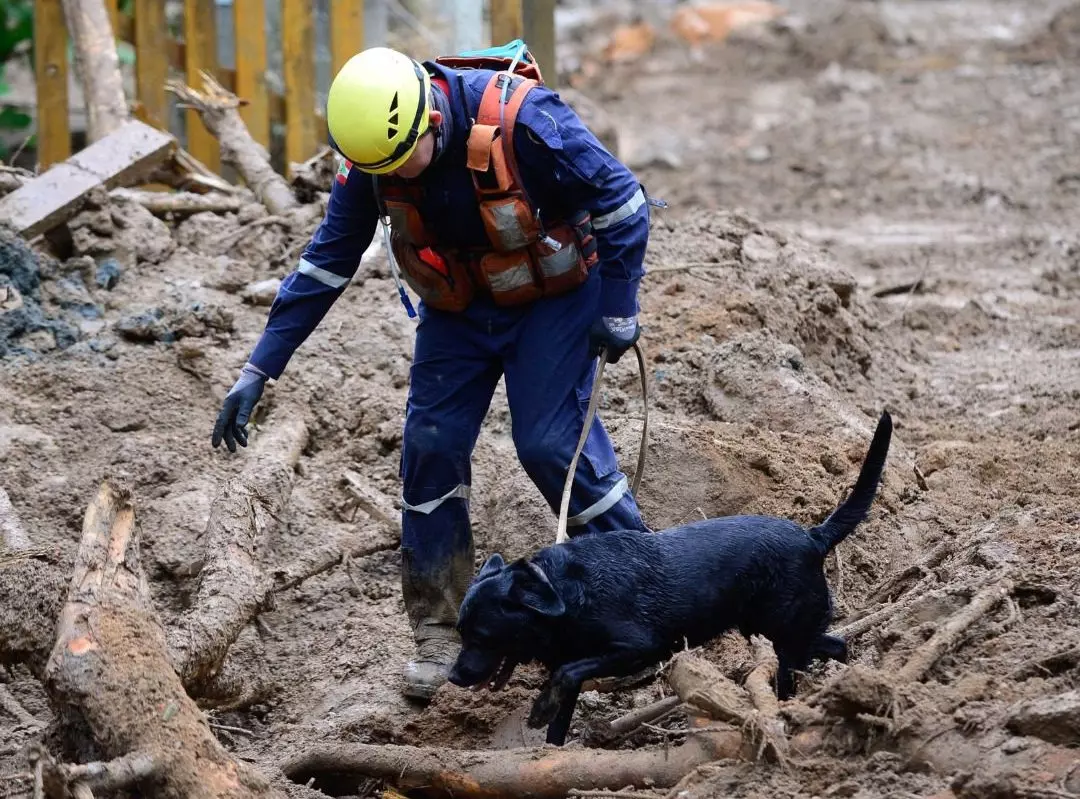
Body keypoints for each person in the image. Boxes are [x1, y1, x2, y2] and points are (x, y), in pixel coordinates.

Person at [211, 44, 654, 701]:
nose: (397, 181)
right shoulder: (374, 162)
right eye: (380, 172)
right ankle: (439, 631)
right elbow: (327, 261)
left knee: (549, 444)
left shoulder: (525, 122)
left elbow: (624, 202)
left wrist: (618, 308)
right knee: (431, 446)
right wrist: (259, 367)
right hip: (461, 307)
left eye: (402, 162)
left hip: (554, 299)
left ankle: (645, 593)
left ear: (430, 122)